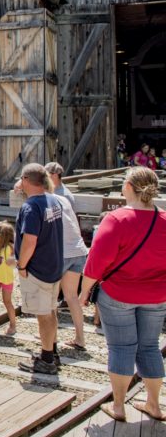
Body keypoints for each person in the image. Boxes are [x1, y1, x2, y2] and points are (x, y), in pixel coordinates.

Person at [80, 167, 166, 422]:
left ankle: (119, 406)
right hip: (156, 295)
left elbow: (96, 262)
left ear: (128, 187)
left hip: (119, 293)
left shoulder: (116, 219)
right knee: (150, 347)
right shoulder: (164, 220)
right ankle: (154, 405)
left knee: (121, 347)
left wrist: (84, 292)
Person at [14, 163, 65, 375]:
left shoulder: (31, 207)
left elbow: (29, 241)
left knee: (43, 314)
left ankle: (46, 360)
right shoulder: (54, 200)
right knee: (51, 309)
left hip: (38, 268)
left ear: (26, 180)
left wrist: (22, 265)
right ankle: (52, 352)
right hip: (54, 265)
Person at [51, 189, 88, 351]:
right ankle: (80, 338)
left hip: (61, 252)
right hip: (77, 249)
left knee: (51, 298)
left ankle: (51, 336)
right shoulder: (63, 199)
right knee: (71, 296)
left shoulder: (42, 202)